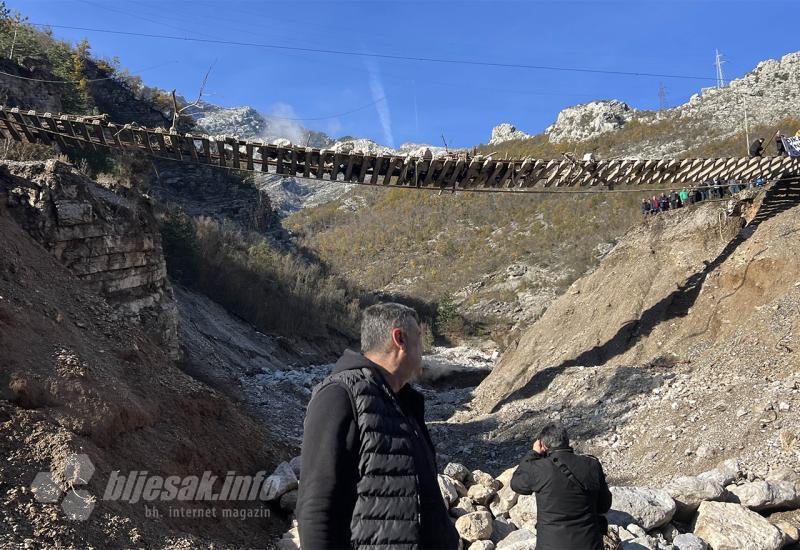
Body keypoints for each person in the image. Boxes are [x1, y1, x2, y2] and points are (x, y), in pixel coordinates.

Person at [296, 303, 459, 550]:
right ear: (400, 338)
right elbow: (316, 508)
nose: (423, 350)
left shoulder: (402, 401)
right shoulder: (340, 395)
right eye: (419, 338)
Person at [511, 422, 612, 550]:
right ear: (567, 442)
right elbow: (604, 506)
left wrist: (533, 454)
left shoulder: (539, 468)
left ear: (543, 445)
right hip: (590, 544)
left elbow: (516, 484)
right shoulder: (592, 464)